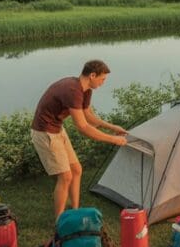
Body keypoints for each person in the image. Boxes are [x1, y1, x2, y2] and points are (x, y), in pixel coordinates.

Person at [31, 60, 128, 221]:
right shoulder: (72, 90)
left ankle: (75, 211)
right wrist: (113, 140)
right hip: (44, 132)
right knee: (66, 176)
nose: (103, 83)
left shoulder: (86, 89)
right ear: (92, 75)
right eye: (102, 79)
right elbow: (82, 127)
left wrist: (112, 127)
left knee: (76, 170)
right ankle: (60, 222)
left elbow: (88, 116)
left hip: (57, 129)